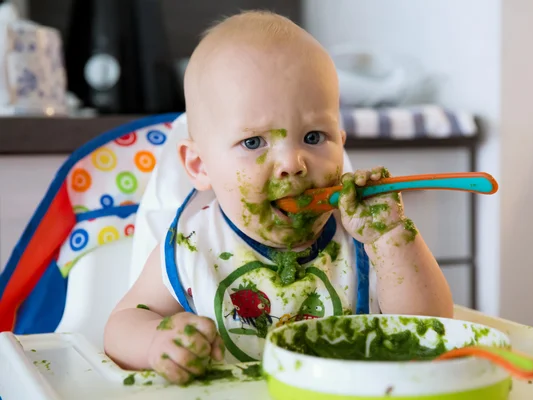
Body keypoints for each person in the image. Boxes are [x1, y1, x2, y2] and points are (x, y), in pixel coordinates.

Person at [104, 10, 453, 384]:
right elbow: (122, 325)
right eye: (253, 142)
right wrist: (159, 342)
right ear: (200, 165)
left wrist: (391, 239)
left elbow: (431, 329)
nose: (292, 163)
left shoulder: (361, 240)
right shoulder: (193, 244)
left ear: (341, 143)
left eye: (314, 137)